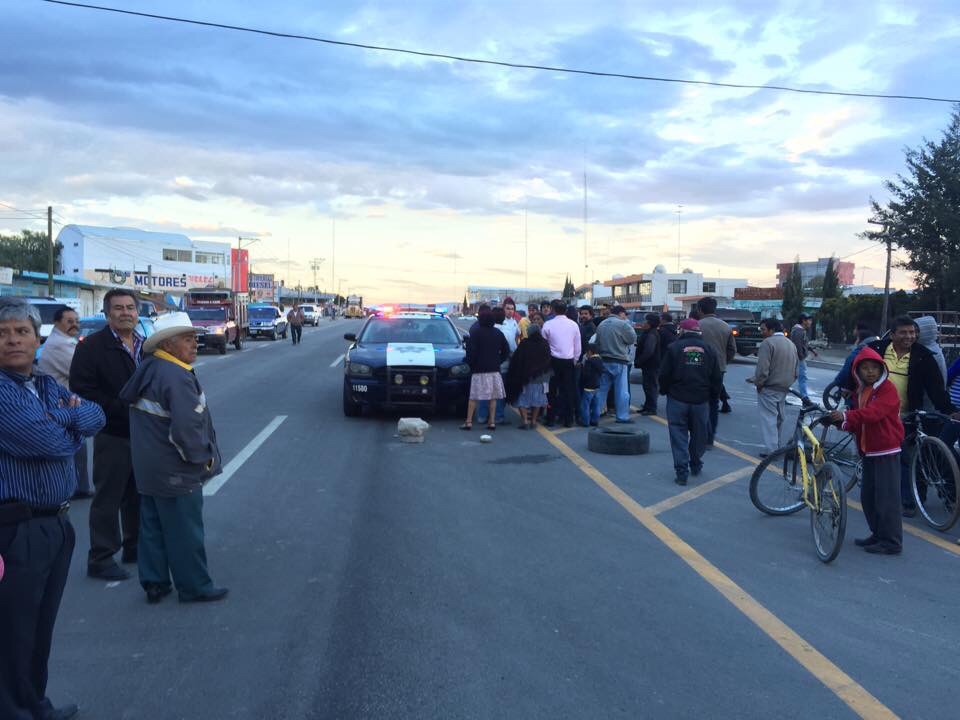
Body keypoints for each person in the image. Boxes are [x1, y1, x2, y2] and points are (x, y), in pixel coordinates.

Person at [0, 297, 105, 720]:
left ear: (36, 337)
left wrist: (65, 421)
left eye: (21, 332)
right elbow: (53, 443)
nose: (12, 341)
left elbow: (95, 414)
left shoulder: (42, 385)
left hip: (54, 525)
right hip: (14, 530)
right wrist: (69, 428)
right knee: (13, 631)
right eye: (2, 334)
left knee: (39, 628)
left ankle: (34, 705)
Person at [119, 312, 228, 603]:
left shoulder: (151, 368)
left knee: (152, 527)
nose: (195, 343)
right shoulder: (176, 376)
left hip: (148, 467)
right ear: (167, 345)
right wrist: (201, 460)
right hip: (175, 469)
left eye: (194, 338)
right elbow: (186, 428)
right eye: (187, 339)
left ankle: (155, 583)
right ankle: (195, 587)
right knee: (185, 531)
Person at [69, 288, 143, 581]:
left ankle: (135, 546)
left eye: (130, 308)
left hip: (142, 434)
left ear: (137, 312)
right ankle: (100, 557)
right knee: (108, 498)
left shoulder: (143, 344)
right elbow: (83, 389)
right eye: (118, 308)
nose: (125, 312)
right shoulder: (92, 347)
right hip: (112, 433)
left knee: (138, 494)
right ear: (107, 313)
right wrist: (119, 409)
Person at [858, 316, 958, 516]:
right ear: (892, 334)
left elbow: (935, 388)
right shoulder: (877, 349)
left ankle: (908, 500)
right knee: (872, 453)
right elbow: (856, 368)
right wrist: (846, 388)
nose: (909, 336)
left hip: (906, 415)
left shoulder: (924, 356)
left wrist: (949, 410)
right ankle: (881, 495)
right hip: (873, 414)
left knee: (907, 457)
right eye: (903, 332)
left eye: (912, 332)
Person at [829, 348, 905, 555]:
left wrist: (846, 416)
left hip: (885, 450)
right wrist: (842, 423)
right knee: (869, 497)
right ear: (857, 371)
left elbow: (873, 414)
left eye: (874, 368)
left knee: (886, 498)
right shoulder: (862, 391)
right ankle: (879, 534)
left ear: (882, 369)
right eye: (865, 368)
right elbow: (860, 421)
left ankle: (891, 541)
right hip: (868, 450)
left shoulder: (887, 389)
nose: (870, 372)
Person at [38, 306, 93, 498]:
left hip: (66, 404)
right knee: (74, 447)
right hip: (61, 406)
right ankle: (77, 488)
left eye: (76, 321)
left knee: (77, 447)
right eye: (69, 321)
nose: (74, 325)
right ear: (57, 323)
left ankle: (79, 487)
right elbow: (82, 371)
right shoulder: (60, 345)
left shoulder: (65, 342)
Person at [659, 318, 721, 486]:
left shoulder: (674, 348)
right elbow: (717, 376)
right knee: (699, 434)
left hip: (677, 398)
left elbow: (664, 374)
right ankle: (695, 462)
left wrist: (664, 390)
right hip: (701, 400)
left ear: (682, 331)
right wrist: (713, 396)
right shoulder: (709, 349)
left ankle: (681, 471)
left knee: (678, 435)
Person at [750, 318, 798, 457]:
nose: (762, 332)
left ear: (771, 330)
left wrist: (759, 383)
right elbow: (796, 368)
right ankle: (776, 446)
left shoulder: (768, 343)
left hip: (770, 387)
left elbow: (763, 369)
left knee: (769, 418)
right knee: (779, 417)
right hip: (784, 387)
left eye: (763, 329)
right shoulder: (790, 344)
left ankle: (772, 450)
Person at [462, 308, 509, 430]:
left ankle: (468, 422)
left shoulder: (476, 333)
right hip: (494, 369)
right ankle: (492, 422)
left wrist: (471, 364)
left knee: (473, 397)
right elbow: (506, 351)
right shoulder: (498, 333)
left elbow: (470, 353)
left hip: (479, 369)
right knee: (492, 397)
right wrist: (499, 361)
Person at [697, 297, 736, 446]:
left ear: (700, 309)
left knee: (699, 402)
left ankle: (701, 434)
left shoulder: (697, 325)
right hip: (719, 370)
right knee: (713, 403)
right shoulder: (725, 326)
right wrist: (723, 362)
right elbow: (732, 349)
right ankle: (710, 436)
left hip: (698, 369)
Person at [541, 300, 581, 428]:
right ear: (566, 310)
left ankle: (550, 418)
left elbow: (544, 346)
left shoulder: (548, 324)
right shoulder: (574, 325)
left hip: (553, 361)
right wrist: (575, 359)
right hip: (569, 361)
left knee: (551, 391)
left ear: (553, 309)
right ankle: (568, 419)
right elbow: (577, 346)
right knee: (568, 391)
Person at [594, 305, 637, 423]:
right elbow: (631, 339)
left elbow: (596, 342)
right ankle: (622, 416)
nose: (626, 317)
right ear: (621, 313)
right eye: (625, 314)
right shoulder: (623, 324)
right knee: (622, 390)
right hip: (619, 360)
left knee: (602, 389)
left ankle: (595, 414)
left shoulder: (601, 324)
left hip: (604, 360)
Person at [505, 323, 553, 429]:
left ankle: (525, 421)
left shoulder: (525, 343)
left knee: (522, 399)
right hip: (541, 377)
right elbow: (548, 359)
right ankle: (534, 421)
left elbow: (517, 359)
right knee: (538, 399)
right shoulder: (544, 343)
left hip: (526, 377)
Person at [478, 306, 517, 426]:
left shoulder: (483, 330)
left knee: (485, 390)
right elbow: (511, 349)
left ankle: (482, 416)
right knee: (499, 393)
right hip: (502, 366)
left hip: (485, 366)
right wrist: (500, 360)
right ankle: (498, 416)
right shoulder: (506, 332)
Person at [833, 322, 880, 397]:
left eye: (855, 328)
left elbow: (847, 368)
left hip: (856, 387)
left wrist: (841, 383)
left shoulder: (860, 350)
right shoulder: (878, 347)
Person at [789, 313, 818, 404]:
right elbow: (797, 346)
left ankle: (782, 396)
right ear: (803, 321)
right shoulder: (798, 331)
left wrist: (812, 350)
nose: (810, 322)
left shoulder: (801, 330)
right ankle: (805, 398)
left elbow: (803, 344)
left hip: (797, 358)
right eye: (809, 320)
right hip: (798, 359)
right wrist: (801, 357)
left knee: (792, 378)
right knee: (802, 378)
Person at [635, 313, 661, 415]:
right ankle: (647, 406)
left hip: (651, 365)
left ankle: (651, 408)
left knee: (651, 386)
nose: (643, 322)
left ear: (650, 323)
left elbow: (649, 351)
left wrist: (639, 360)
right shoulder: (649, 332)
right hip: (649, 364)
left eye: (645, 321)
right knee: (647, 386)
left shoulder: (652, 334)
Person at [914, 315, 948, 387]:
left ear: (924, 331)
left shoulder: (930, 353)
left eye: (916, 331)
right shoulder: (930, 347)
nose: (913, 335)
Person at [579, 344, 605, 427]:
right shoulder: (600, 360)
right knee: (596, 405)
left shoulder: (589, 361)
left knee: (585, 405)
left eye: (587, 352)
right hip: (597, 386)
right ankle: (594, 420)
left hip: (588, 387)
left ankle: (585, 421)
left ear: (590, 352)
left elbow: (585, 375)